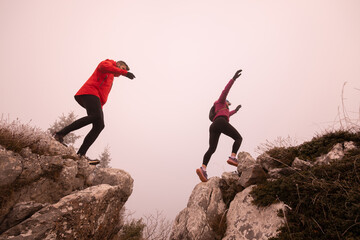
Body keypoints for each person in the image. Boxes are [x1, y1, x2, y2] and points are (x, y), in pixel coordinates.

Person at [53, 59, 135, 165]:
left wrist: (100, 107)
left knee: (99, 125)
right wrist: (125, 73)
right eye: (122, 68)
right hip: (89, 92)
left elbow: (102, 92)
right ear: (118, 64)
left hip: (96, 99)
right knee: (95, 116)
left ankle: (81, 154)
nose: (121, 73)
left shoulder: (111, 77)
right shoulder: (108, 63)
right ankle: (59, 134)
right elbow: (104, 67)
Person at [196, 69, 243, 182]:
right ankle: (233, 157)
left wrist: (235, 110)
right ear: (225, 101)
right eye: (229, 103)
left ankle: (203, 169)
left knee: (212, 148)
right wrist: (233, 79)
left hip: (214, 126)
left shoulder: (222, 110)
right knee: (238, 138)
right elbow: (225, 91)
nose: (229, 105)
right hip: (221, 122)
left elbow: (228, 114)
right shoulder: (220, 102)